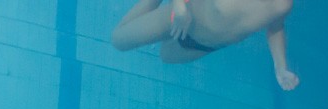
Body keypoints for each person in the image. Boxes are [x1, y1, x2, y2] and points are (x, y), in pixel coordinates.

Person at [111, 0, 300, 91]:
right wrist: (179, 8)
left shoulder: (283, 5)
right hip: (177, 19)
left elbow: (275, 28)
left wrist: (280, 67)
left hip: (203, 47)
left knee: (164, 56)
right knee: (118, 41)